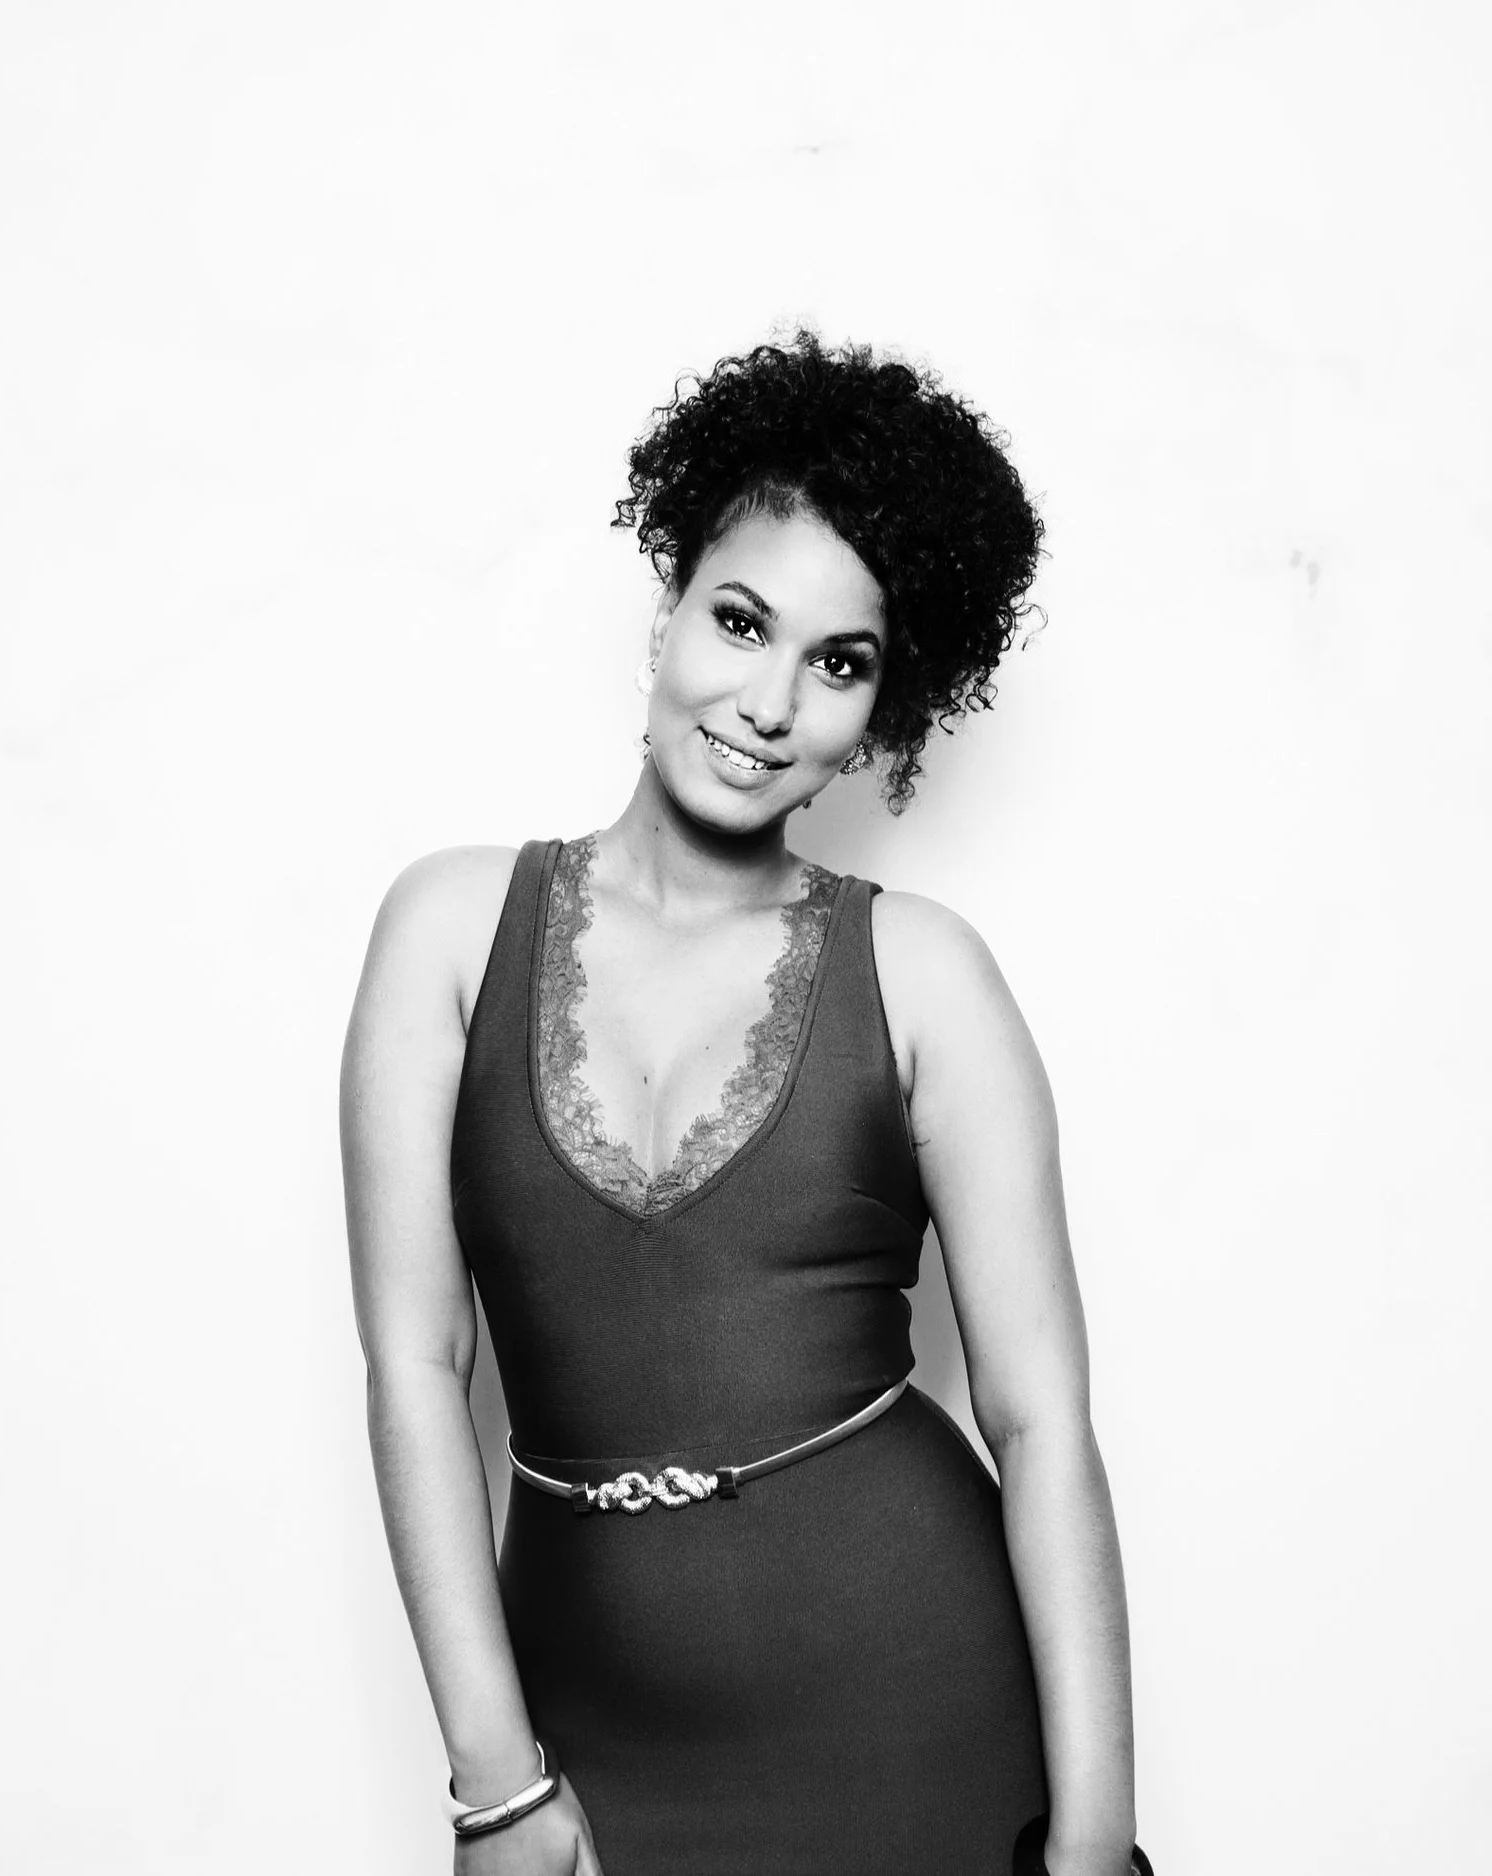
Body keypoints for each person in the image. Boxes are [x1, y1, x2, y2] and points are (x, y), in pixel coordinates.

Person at [342, 332, 1140, 1874]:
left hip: (920, 1708)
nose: (768, 701)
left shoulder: (925, 975)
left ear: (880, 711)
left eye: (838, 665)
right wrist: (496, 1787)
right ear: (666, 612)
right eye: (741, 620)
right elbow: (413, 1363)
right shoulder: (446, 933)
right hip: (585, 1743)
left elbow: (1041, 1424)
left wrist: (1096, 1846)